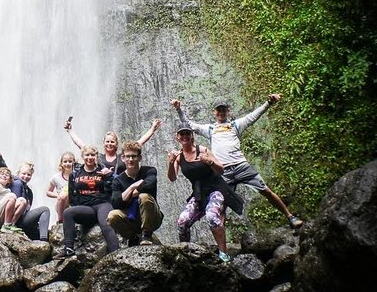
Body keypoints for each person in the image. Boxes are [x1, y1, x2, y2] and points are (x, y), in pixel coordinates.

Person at [172, 96, 303, 229]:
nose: (221, 112)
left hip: (241, 166)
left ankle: (290, 216)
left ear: (228, 111)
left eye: (223, 110)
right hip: (223, 172)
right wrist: (178, 109)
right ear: (214, 112)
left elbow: (253, 116)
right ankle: (222, 246)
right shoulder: (210, 129)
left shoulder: (235, 125)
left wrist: (268, 103)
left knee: (266, 191)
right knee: (221, 206)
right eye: (218, 110)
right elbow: (190, 126)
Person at [167, 123, 243, 263]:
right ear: (177, 137)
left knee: (212, 216)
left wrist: (208, 161)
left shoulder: (202, 150)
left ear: (192, 136)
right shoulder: (178, 157)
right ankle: (186, 254)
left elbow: (221, 170)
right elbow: (172, 178)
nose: (185, 136)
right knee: (182, 221)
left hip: (216, 189)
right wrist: (171, 163)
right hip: (199, 193)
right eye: (181, 134)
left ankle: (223, 254)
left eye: (187, 134)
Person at [55, 145, 119, 258]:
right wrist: (76, 206)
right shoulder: (75, 174)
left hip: (102, 204)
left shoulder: (103, 171)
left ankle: (116, 253)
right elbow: (71, 194)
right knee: (68, 212)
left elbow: (113, 188)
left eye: (92, 155)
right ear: (82, 156)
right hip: (86, 208)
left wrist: (109, 177)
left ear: (96, 156)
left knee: (106, 224)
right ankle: (68, 248)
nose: (89, 157)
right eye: (87, 155)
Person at [107, 140, 164, 246]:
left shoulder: (149, 171)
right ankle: (132, 237)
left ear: (140, 158)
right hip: (131, 219)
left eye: (134, 156)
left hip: (153, 217)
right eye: (127, 156)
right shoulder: (118, 180)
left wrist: (127, 195)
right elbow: (116, 202)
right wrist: (133, 186)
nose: (131, 159)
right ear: (122, 158)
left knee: (144, 196)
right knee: (112, 216)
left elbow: (149, 185)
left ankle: (146, 234)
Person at [64, 118, 162, 174]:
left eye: (112, 142)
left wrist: (152, 129)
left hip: (120, 189)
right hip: (102, 189)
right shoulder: (98, 157)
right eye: (107, 142)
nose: (109, 144)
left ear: (116, 144)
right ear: (104, 143)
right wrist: (70, 131)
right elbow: (82, 145)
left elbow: (139, 143)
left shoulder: (123, 157)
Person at [11, 162, 51, 241]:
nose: (26, 176)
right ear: (18, 173)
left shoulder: (28, 190)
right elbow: (15, 204)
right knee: (45, 210)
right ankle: (43, 240)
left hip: (22, 219)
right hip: (17, 220)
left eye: (29, 175)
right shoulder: (17, 184)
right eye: (23, 173)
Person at [46, 151, 75, 223]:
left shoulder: (77, 175)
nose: (67, 163)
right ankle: (60, 220)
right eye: (65, 161)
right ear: (61, 163)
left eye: (70, 161)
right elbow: (48, 192)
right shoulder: (56, 177)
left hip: (74, 204)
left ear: (74, 162)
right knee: (63, 195)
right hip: (61, 205)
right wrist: (58, 195)